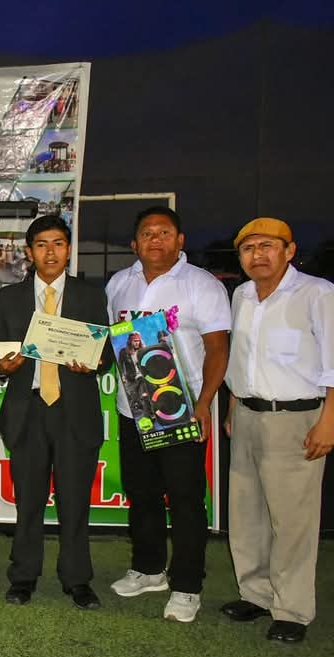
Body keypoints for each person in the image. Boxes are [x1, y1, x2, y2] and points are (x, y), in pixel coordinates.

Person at [221, 218, 334, 644]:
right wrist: (233, 406)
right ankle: (256, 594)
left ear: (289, 250)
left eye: (267, 246)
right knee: (247, 514)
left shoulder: (318, 293)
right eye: (248, 248)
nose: (257, 255)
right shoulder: (242, 295)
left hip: (296, 419)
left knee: (293, 521)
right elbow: (241, 359)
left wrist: (329, 420)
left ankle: (292, 609)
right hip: (247, 415)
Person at [105, 206, 231, 622]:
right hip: (133, 409)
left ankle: (187, 586)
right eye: (146, 233)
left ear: (180, 241)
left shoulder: (202, 285)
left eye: (164, 232)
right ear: (134, 243)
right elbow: (111, 341)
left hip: (180, 410)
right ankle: (149, 569)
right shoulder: (119, 284)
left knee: (185, 500)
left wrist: (204, 403)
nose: (154, 239)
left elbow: (218, 349)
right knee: (142, 494)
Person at [0, 215, 110, 609]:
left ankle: (77, 580)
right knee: (28, 501)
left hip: (74, 411)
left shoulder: (91, 296)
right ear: (29, 252)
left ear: (69, 249)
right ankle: (23, 576)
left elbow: (106, 353)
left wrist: (93, 363)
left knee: (75, 502)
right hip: (28, 410)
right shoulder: (9, 298)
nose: (50, 252)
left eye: (58, 243)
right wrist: (2, 366)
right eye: (41, 244)